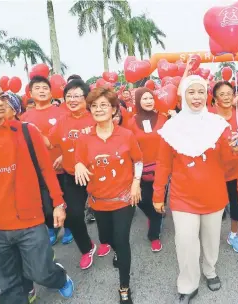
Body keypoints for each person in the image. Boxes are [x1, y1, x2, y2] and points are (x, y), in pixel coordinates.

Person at [0, 72, 74, 303]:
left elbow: (47, 171)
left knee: (41, 272)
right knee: (8, 286)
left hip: (31, 221)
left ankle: (59, 278)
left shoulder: (27, 132)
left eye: (2, 97)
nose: (0, 103)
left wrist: (59, 203)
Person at [153, 75, 238, 303]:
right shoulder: (171, 127)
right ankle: (188, 284)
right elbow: (163, 163)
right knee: (185, 241)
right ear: (183, 95)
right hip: (183, 196)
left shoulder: (219, 125)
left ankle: (210, 270)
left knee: (211, 239)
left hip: (213, 194)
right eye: (191, 92)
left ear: (207, 95)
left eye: (201, 92)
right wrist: (157, 194)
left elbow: (227, 160)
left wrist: (235, 148)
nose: (196, 97)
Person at [74, 87, 143, 304]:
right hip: (98, 201)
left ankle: (124, 286)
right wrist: (77, 165)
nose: (98, 109)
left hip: (124, 199)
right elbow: (79, 160)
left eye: (104, 105)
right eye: (94, 106)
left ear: (114, 109)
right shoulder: (84, 139)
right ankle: (113, 248)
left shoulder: (127, 135)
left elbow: (138, 161)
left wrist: (136, 183)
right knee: (106, 238)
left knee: (122, 241)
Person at [46, 79, 97, 269]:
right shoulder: (62, 121)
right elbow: (50, 142)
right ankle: (87, 248)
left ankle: (108, 240)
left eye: (77, 96)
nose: (73, 99)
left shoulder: (96, 117)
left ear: (86, 98)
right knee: (73, 216)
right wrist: (29, 131)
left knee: (104, 215)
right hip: (71, 176)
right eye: (69, 96)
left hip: (98, 175)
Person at [20, 76, 73, 245]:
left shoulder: (63, 112)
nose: (42, 91)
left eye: (45, 88)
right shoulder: (25, 118)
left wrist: (65, 155)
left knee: (67, 200)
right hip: (39, 170)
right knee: (46, 203)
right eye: (38, 88)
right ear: (30, 92)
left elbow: (73, 137)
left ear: (51, 92)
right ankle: (52, 228)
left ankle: (69, 227)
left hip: (63, 166)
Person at [127, 87, 167, 252]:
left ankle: (154, 236)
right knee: (143, 202)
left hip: (162, 169)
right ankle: (153, 216)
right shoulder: (130, 122)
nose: (149, 101)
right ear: (138, 101)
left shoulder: (164, 118)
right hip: (139, 171)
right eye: (144, 98)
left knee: (158, 203)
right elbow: (127, 147)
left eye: (151, 98)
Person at [212, 81, 238, 253]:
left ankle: (233, 235)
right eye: (222, 94)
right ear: (215, 98)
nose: (226, 97)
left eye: (229, 93)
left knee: (236, 206)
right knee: (213, 208)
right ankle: (209, 237)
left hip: (235, 172)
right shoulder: (208, 117)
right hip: (213, 173)